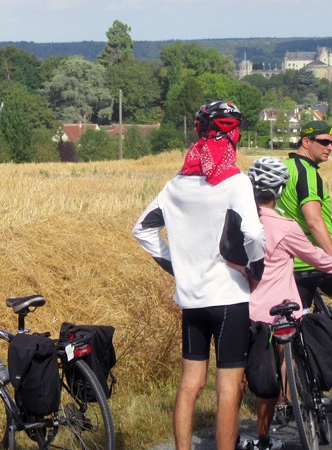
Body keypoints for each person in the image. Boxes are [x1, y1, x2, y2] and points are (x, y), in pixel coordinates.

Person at [132, 101, 265, 450]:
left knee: (190, 384)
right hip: (229, 299)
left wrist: (176, 264)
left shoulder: (175, 185)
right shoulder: (235, 181)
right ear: (233, 138)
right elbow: (253, 233)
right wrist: (255, 269)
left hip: (191, 300)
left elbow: (142, 231)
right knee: (227, 388)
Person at [233, 157, 332, 450]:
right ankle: (268, 433)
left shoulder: (238, 222)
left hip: (246, 311)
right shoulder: (284, 226)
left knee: (241, 376)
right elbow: (316, 258)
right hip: (281, 311)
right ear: (279, 189)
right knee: (284, 359)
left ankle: (232, 434)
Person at [275, 120, 332, 310]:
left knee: (299, 322)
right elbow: (314, 220)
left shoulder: (283, 168)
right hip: (319, 257)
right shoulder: (307, 172)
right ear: (306, 142)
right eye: (324, 142)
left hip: (291, 263)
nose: (330, 147)